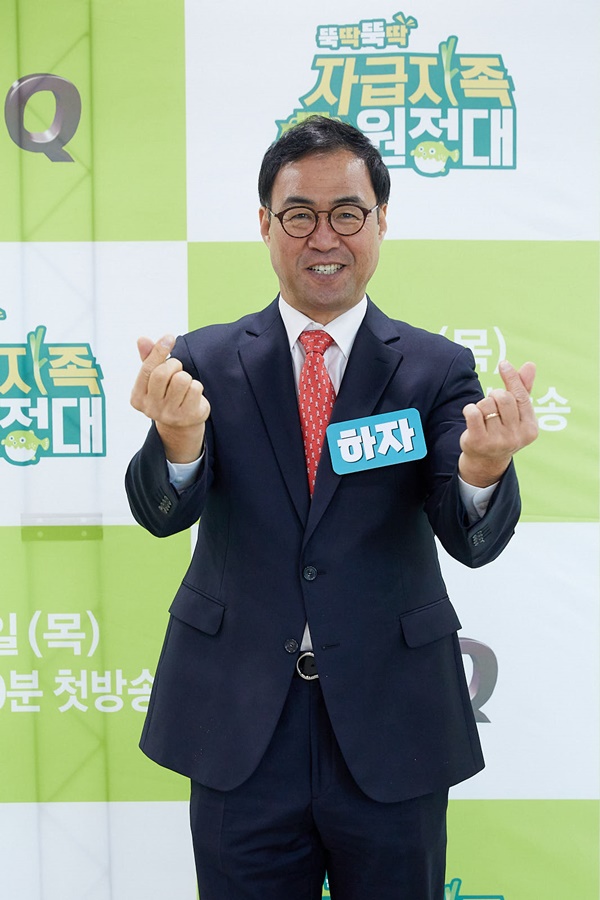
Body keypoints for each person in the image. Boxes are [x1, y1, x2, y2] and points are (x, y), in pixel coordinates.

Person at [126, 116, 538, 900]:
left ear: (381, 221)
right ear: (264, 224)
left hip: (391, 721)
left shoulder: (434, 369)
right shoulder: (206, 361)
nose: (324, 237)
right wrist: (178, 442)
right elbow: (162, 515)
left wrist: (483, 468)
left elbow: (470, 538)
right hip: (241, 721)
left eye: (347, 213)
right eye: (299, 215)